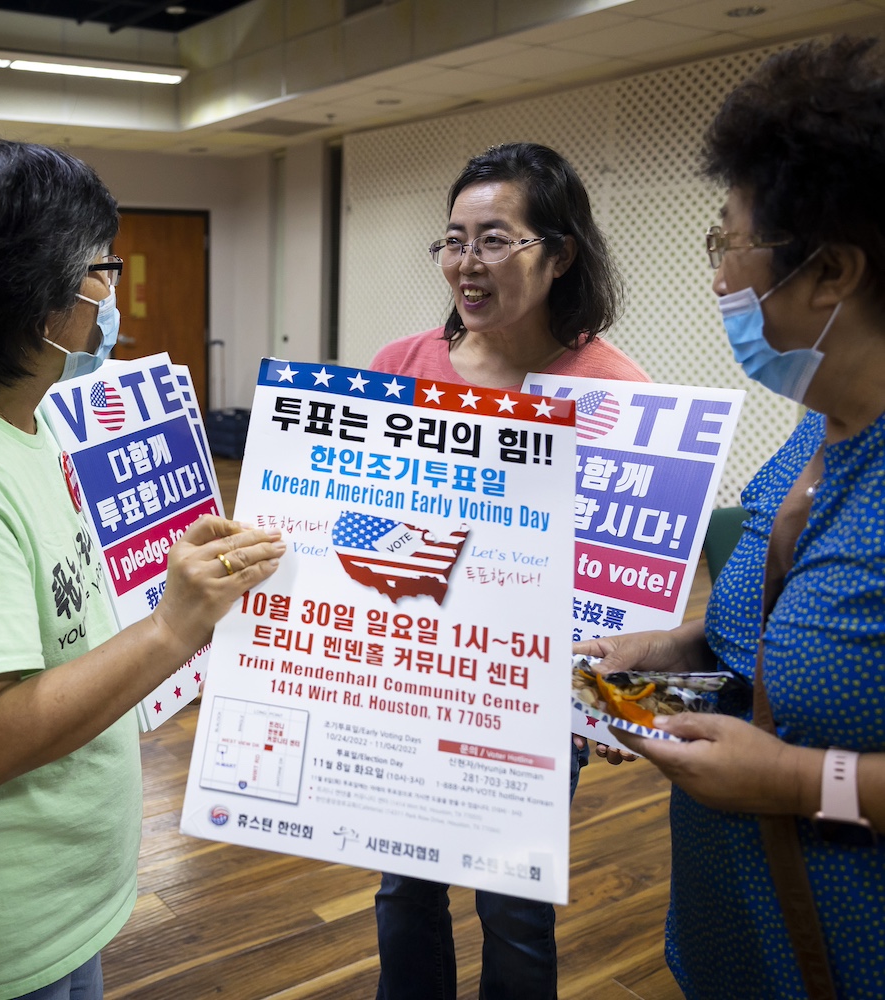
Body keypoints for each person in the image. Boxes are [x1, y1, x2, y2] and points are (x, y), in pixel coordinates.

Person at [0, 140, 284, 1000]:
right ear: (35, 305)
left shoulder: (21, 419)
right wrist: (172, 629)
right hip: (4, 927)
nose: (109, 294)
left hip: (55, 890)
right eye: (98, 270)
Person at [582, 37, 885, 999]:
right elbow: (763, 628)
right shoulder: (810, 439)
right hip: (732, 938)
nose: (718, 279)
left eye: (728, 244)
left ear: (830, 271)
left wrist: (802, 782)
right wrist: (674, 652)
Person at [368, 142, 649, 1000]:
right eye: (454, 240)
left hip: (531, 695)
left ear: (559, 254)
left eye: (495, 240)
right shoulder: (398, 368)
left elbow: (623, 572)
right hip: (407, 674)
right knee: (402, 888)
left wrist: (614, 704)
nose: (467, 263)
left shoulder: (614, 390)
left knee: (516, 907)